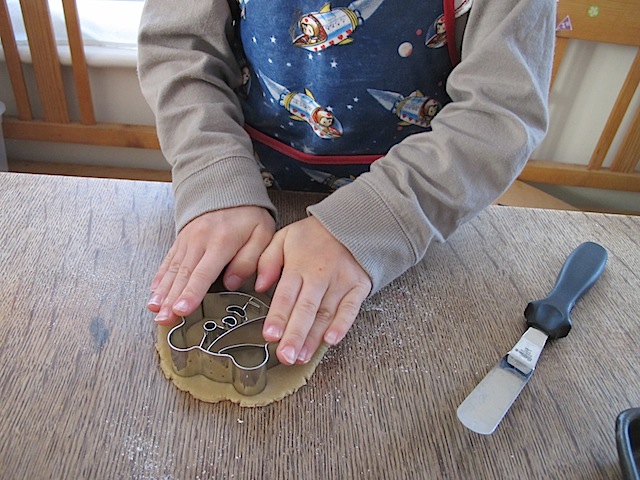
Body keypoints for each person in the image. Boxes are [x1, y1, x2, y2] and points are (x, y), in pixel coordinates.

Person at [138, 0, 555, 366]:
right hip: (248, 192)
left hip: (417, 209)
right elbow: (180, 50)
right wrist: (215, 178)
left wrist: (370, 223)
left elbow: (498, 116)